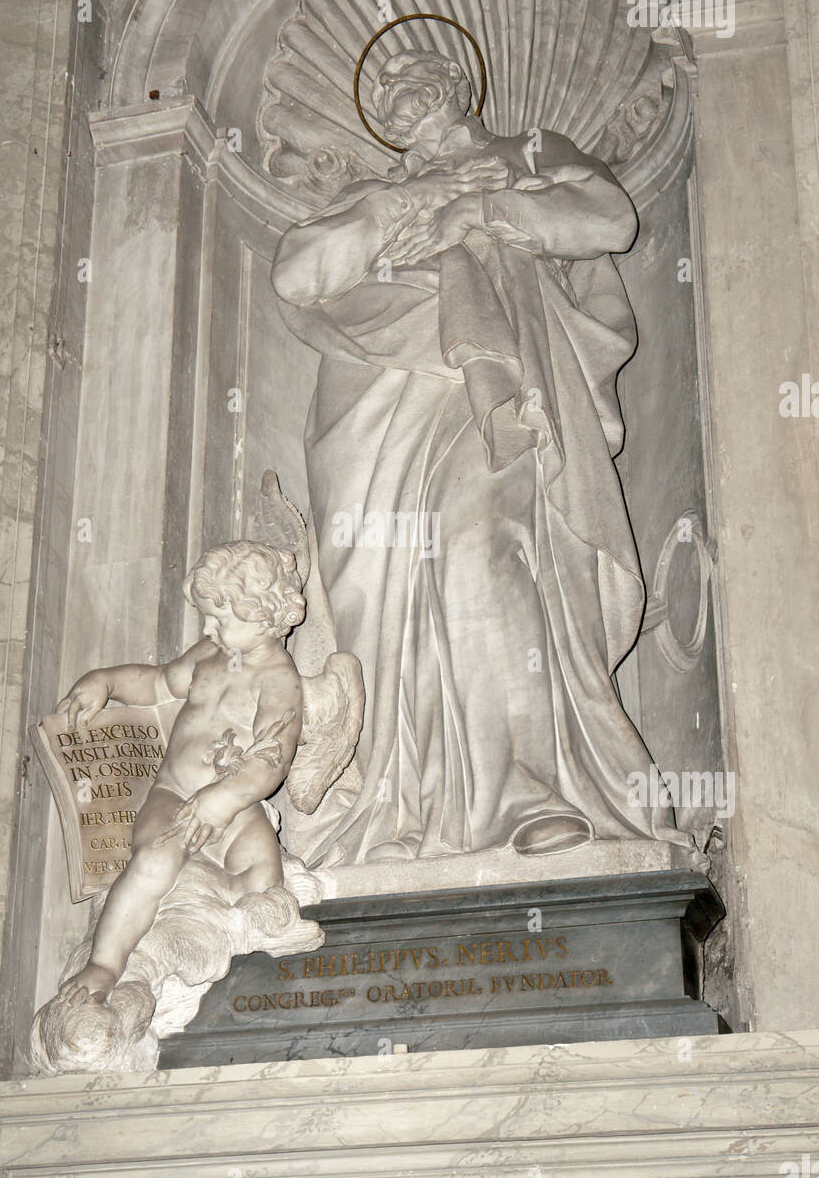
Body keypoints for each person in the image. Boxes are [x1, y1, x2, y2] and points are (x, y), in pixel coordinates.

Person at [271, 49, 694, 866]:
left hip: (499, 392)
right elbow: (298, 273)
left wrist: (485, 211)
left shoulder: (527, 152)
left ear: (459, 84)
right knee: (379, 590)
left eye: (414, 69)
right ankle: (403, 801)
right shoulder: (373, 195)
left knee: (480, 552)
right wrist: (413, 201)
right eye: (386, 83)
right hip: (389, 409)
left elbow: (608, 220)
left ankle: (526, 791)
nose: (398, 86)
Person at [56, 541, 305, 1002]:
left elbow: (271, 760)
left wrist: (221, 801)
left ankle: (212, 932)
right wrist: (106, 680)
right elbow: (156, 682)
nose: (209, 630)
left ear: (263, 614)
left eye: (220, 619)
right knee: (154, 860)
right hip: (174, 793)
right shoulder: (209, 655)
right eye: (206, 618)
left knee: (263, 878)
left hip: (233, 803)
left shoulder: (279, 680)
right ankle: (105, 964)